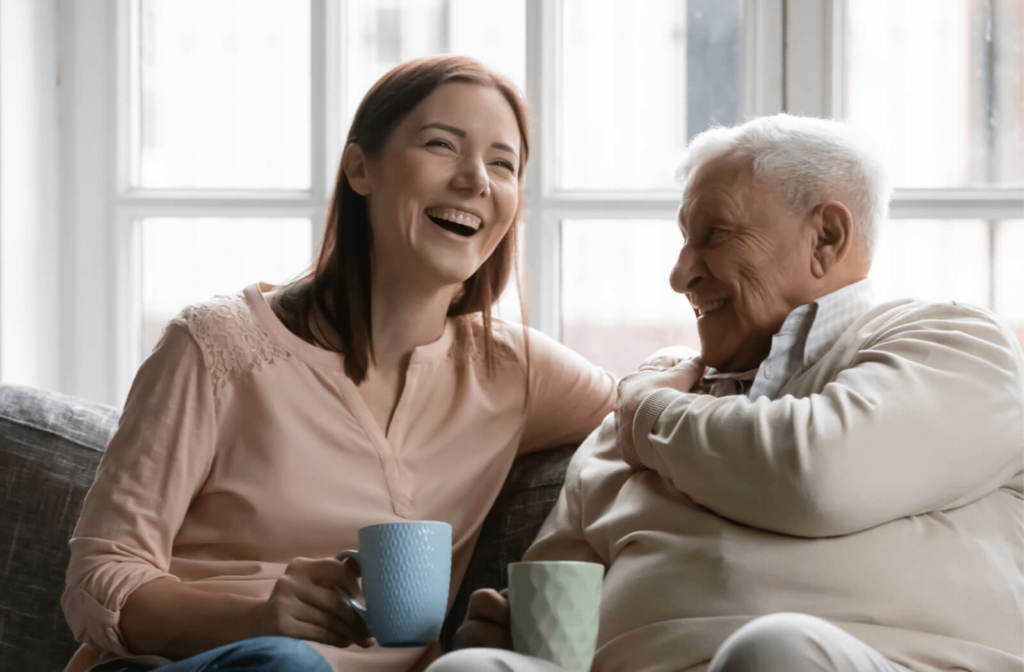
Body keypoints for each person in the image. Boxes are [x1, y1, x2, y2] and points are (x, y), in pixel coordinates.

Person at [61, 55, 616, 672]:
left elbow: (653, 405)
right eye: (442, 145)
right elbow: (97, 576)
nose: (476, 180)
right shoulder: (217, 346)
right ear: (360, 168)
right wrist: (256, 619)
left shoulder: (514, 370)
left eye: (502, 163)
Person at [436, 114, 1024, 672]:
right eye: (684, 241)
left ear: (826, 236)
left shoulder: (955, 344)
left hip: (859, 661)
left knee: (775, 650)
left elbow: (815, 476)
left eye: (714, 234)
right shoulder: (657, 396)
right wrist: (503, 629)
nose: (679, 274)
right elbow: (556, 586)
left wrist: (646, 410)